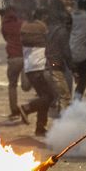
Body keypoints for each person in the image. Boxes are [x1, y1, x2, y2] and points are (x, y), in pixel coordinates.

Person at [18, 9, 57, 137]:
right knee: (49, 97)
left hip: (29, 67)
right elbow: (49, 43)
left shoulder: (25, 27)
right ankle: (27, 108)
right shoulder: (41, 27)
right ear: (43, 17)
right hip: (38, 68)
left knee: (44, 97)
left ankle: (40, 128)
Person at [1, 6, 25, 119]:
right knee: (28, 85)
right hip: (25, 57)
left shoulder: (4, 26)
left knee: (12, 85)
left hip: (13, 58)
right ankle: (32, 106)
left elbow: (6, 38)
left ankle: (14, 110)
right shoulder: (22, 23)